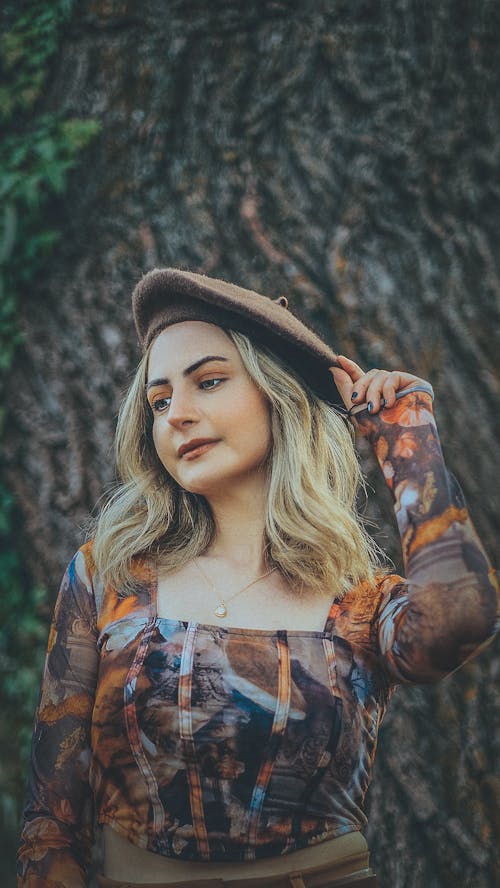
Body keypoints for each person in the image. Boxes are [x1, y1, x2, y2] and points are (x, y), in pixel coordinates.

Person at [17, 268, 499, 888]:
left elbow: (461, 618)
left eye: (209, 382)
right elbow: (52, 820)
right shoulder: (109, 576)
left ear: (279, 395)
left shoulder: (359, 601)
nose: (177, 416)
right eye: (159, 401)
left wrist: (408, 440)